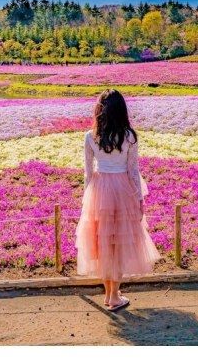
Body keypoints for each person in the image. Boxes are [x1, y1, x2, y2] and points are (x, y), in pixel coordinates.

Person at [75, 89, 161, 311]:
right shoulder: (130, 136)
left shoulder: (90, 136)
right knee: (119, 245)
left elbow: (87, 173)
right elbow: (133, 171)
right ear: (122, 110)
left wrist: (87, 200)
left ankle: (108, 295)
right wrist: (140, 199)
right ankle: (114, 296)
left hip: (99, 191)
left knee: (102, 244)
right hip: (123, 190)